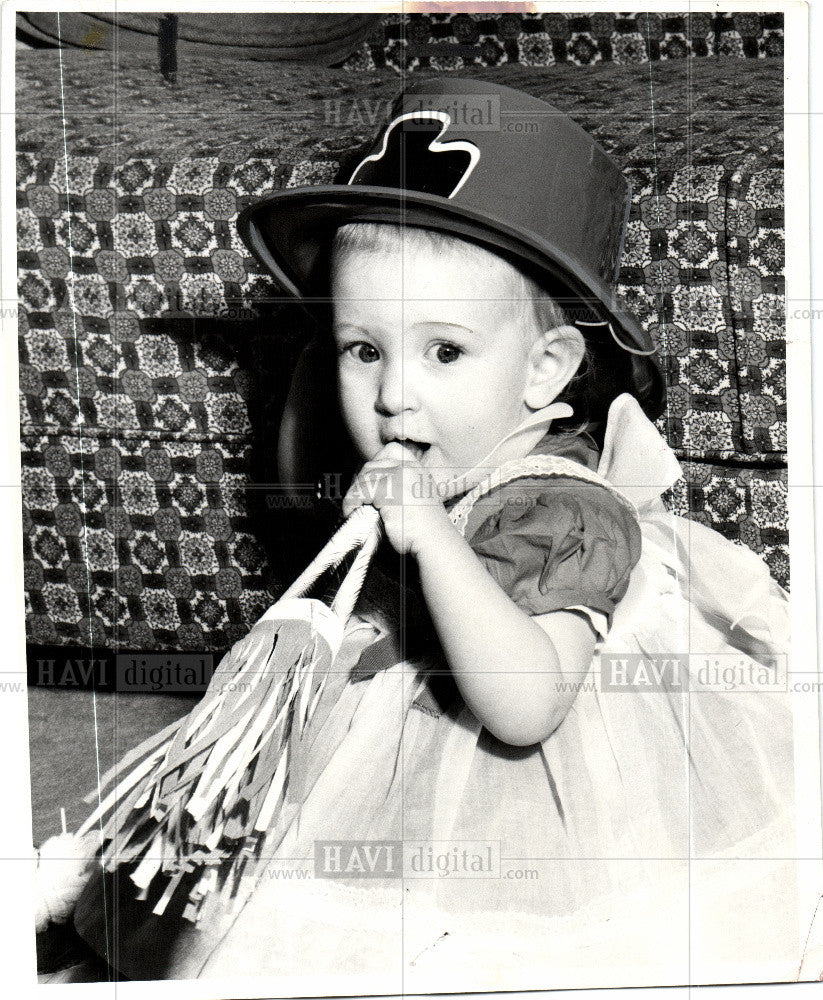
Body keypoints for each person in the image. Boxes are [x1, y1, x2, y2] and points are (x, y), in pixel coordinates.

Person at [66, 78, 803, 990]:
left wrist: (434, 541)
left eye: (443, 351)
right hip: (416, 707)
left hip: (544, 768)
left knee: (520, 937)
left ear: (545, 371)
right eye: (362, 347)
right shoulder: (441, 464)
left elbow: (525, 708)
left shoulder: (566, 514)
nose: (391, 396)